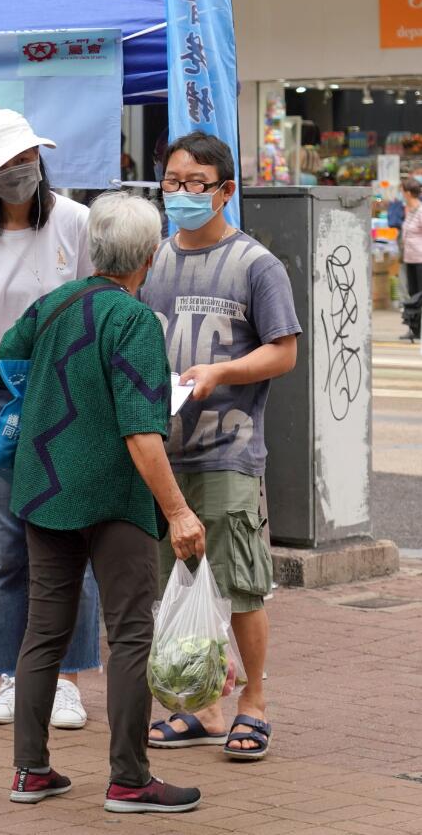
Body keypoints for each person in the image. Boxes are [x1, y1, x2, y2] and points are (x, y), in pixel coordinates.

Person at [0, 191, 206, 813]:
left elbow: (5, 358)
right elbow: (141, 432)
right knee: (131, 634)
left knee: (43, 632)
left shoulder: (54, 303)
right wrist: (179, 511)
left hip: (45, 486)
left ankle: (30, 771)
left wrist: (58, 399)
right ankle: (130, 780)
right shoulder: (134, 320)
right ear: (149, 256)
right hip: (116, 496)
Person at [0, 108, 101, 729]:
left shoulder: (75, 221)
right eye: (6, 163)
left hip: (66, 393)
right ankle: (10, 675)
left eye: (26, 157)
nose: (19, 170)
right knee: (2, 548)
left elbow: (97, 305)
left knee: (69, 537)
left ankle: (67, 680)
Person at [143, 131, 300, 761]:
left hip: (229, 450)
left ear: (225, 190)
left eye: (194, 184)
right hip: (162, 453)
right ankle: (202, 705)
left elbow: (283, 351)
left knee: (240, 584)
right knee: (177, 584)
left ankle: (253, 702)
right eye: (171, 182)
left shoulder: (256, 264)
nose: (180, 193)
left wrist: (221, 372)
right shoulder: (152, 259)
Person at [401, 177, 422, 298]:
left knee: (420, 293)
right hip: (410, 259)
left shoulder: (420, 211)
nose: (401, 194)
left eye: (402, 191)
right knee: (413, 294)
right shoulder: (409, 210)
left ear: (408, 193)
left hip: (420, 259)